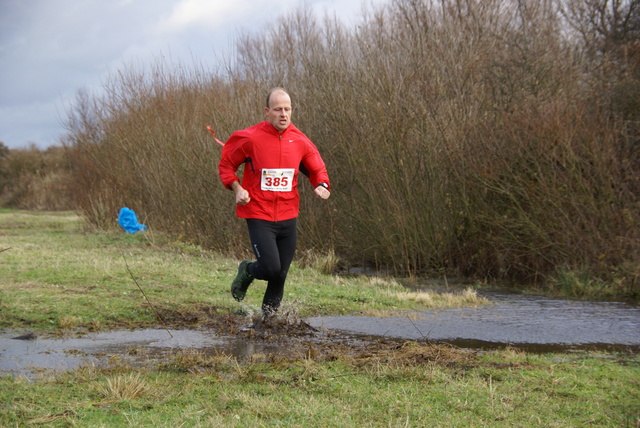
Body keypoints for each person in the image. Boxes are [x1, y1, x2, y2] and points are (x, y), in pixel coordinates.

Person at [218, 87, 331, 319]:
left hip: (288, 214)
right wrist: (237, 188)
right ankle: (247, 270)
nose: (283, 114)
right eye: (278, 109)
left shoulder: (300, 141)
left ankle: (269, 323)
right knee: (270, 268)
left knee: (280, 275)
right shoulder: (250, 138)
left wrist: (322, 185)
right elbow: (226, 165)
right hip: (259, 212)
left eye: (287, 109)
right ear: (267, 111)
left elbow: (317, 168)